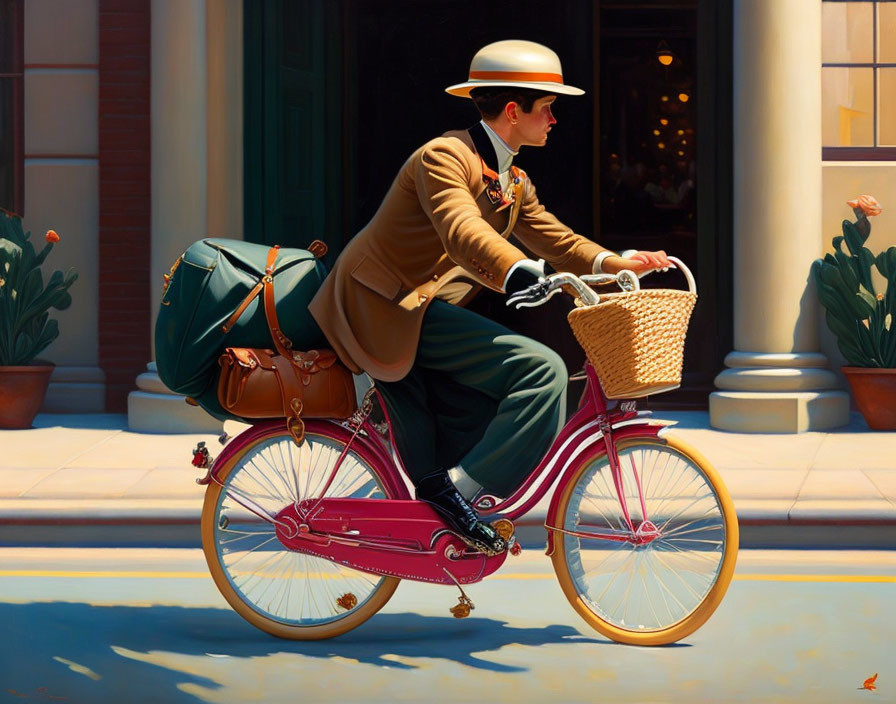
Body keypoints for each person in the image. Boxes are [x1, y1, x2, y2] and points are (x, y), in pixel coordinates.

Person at [308, 40, 670, 555]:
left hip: (422, 308)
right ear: (511, 111)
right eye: (547, 108)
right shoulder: (444, 157)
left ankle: (451, 486)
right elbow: (461, 227)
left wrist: (617, 262)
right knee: (540, 370)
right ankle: (458, 499)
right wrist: (516, 268)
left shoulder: (512, 179)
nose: (554, 120)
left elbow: (556, 238)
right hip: (383, 306)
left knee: (491, 395)